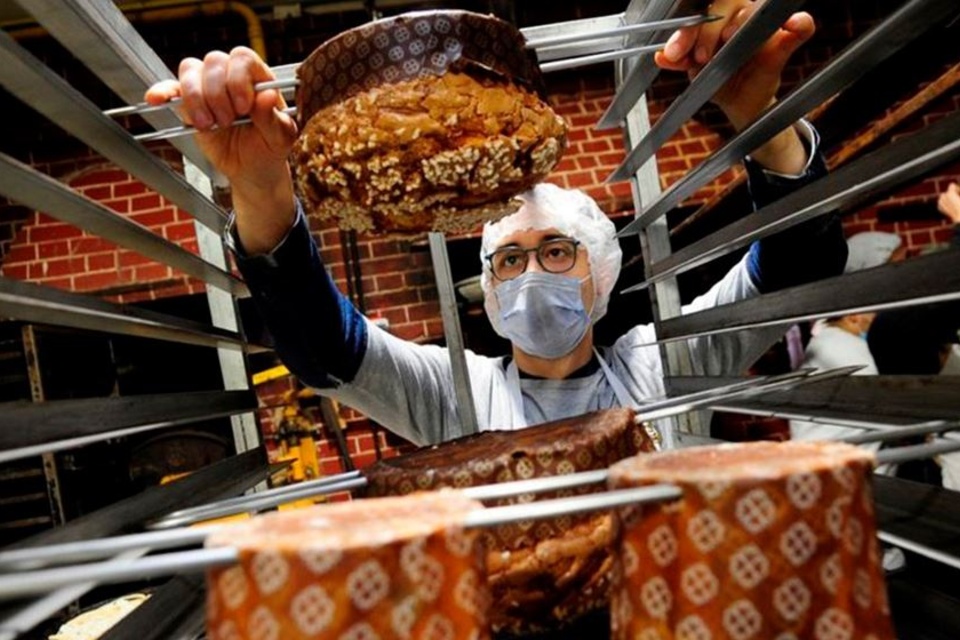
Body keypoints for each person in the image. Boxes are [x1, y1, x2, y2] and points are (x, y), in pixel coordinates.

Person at [145, 0, 847, 448]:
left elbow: (799, 266)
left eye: (556, 251)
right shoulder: (454, 392)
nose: (531, 274)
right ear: (487, 287)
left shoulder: (664, 366)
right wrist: (262, 185)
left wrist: (757, 112)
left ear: (601, 278)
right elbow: (320, 344)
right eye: (509, 260)